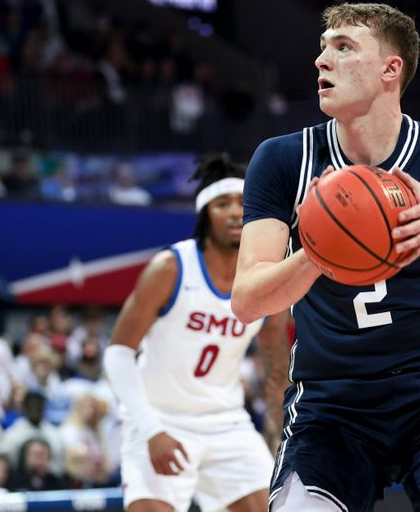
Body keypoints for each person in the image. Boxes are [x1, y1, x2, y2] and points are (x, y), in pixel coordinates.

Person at [233, 3, 420, 512]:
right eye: (323, 47)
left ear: (391, 69)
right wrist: (318, 252)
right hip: (331, 402)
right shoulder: (281, 159)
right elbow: (247, 301)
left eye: (343, 47)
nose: (322, 60)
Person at [104, 154, 290, 512]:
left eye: (242, 203)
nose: (236, 212)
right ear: (205, 214)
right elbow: (118, 353)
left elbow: (275, 361)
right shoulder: (171, 268)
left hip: (226, 424)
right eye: (223, 204)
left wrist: (279, 430)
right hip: (159, 418)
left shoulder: (266, 277)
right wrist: (150, 429)